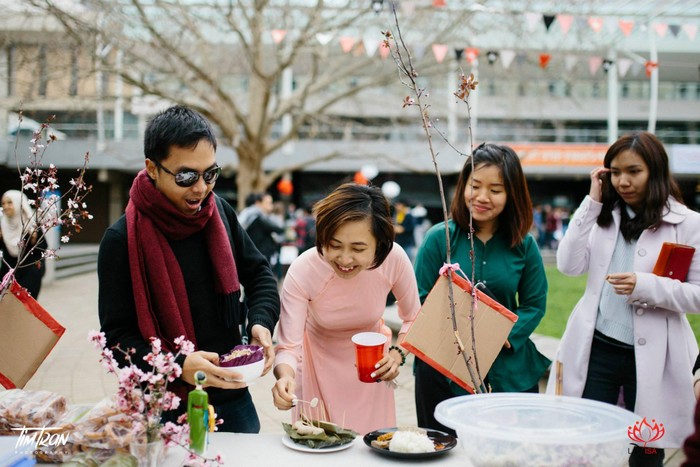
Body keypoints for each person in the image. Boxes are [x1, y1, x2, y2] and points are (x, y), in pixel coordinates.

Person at [97, 105, 280, 433]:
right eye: (186, 176)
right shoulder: (120, 239)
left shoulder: (219, 212)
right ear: (152, 168)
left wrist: (260, 323)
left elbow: (259, 274)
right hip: (163, 404)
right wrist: (178, 366)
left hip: (231, 393)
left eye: (210, 173)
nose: (201, 188)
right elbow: (118, 339)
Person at [546, 132, 700, 466]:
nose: (623, 181)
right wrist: (592, 202)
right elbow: (568, 266)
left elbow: (698, 296)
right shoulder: (603, 215)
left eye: (633, 171)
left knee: (646, 451)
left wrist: (647, 285)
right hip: (597, 349)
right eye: (615, 172)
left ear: (655, 171)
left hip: (654, 357)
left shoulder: (688, 224)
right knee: (582, 443)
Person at [413, 143, 550, 436]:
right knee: (443, 447)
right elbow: (422, 299)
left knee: (509, 450)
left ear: (512, 194)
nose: (482, 197)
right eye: (475, 186)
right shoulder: (440, 239)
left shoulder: (524, 244)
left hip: (508, 365)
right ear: (464, 186)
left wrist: (501, 333)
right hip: (445, 362)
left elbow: (534, 304)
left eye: (496, 189)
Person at [271, 182, 421, 434]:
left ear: (379, 243)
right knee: (320, 449)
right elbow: (288, 345)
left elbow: (414, 319)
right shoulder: (304, 269)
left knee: (373, 449)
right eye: (334, 245)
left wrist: (396, 356)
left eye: (358, 249)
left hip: (371, 373)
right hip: (315, 372)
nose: (345, 259)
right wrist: (284, 377)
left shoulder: (393, 259)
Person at [0, 190, 46, 298]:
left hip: (29, 274)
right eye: (3, 203)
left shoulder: (31, 224)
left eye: (9, 203)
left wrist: (34, 238)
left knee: (25, 308)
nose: (6, 206)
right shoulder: (2, 223)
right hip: (8, 275)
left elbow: (43, 248)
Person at [237, 192, 284, 268]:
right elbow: (279, 228)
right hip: (258, 255)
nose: (271, 205)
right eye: (268, 203)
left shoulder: (248, 214)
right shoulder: (258, 217)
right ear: (258, 203)